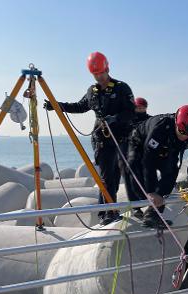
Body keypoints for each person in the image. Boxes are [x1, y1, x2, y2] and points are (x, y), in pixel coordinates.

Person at [43, 51, 136, 224]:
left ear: (107, 69)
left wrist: (114, 119)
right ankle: (108, 212)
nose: (99, 77)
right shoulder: (92, 92)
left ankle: (106, 210)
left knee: (114, 177)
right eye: (95, 74)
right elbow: (80, 106)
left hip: (120, 138)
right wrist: (56, 106)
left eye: (101, 73)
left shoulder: (122, 88)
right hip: (101, 139)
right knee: (107, 176)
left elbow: (131, 112)